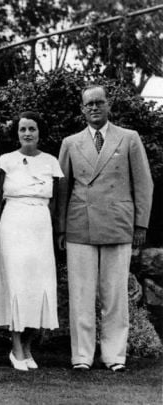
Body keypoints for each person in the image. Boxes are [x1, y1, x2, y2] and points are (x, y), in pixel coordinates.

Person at [57, 85, 153, 372]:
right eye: (89, 104)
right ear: (82, 109)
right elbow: (62, 188)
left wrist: (140, 223)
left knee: (114, 296)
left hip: (118, 224)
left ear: (108, 105)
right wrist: (61, 228)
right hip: (80, 225)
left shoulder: (129, 138)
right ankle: (82, 356)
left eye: (99, 103)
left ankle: (114, 356)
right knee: (81, 294)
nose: (95, 108)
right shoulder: (70, 143)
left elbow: (144, 183)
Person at [0, 112, 62, 371]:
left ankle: (28, 346)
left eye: (32, 128)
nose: (28, 133)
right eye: (23, 129)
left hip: (40, 227)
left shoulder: (51, 162)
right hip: (13, 225)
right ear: (17, 133)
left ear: (39, 132)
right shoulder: (5, 160)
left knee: (38, 287)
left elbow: (55, 203)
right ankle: (16, 348)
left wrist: (53, 232)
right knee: (17, 286)